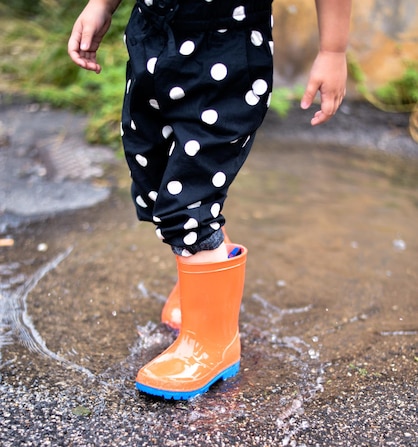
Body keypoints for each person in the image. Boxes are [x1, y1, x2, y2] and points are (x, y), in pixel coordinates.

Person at [68, 0, 351, 400]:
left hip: (226, 52)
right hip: (152, 36)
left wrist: (333, 50)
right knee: (156, 176)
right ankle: (203, 288)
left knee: (187, 202)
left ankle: (211, 344)